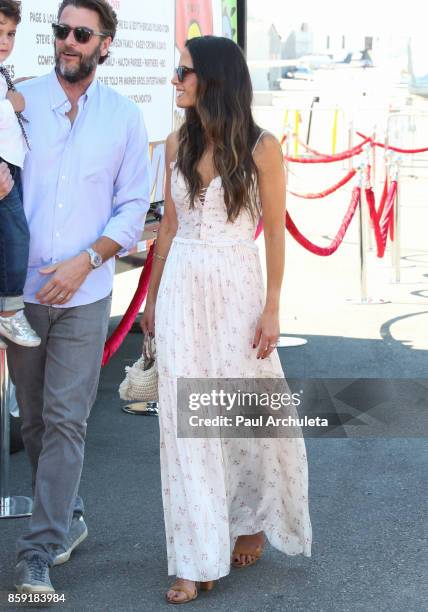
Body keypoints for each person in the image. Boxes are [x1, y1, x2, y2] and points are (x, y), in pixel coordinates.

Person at [141, 35, 312, 604]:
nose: (175, 80)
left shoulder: (262, 148)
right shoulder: (174, 144)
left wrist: (272, 306)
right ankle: (196, 555)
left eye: (183, 71)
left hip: (237, 291)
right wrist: (150, 298)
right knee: (185, 424)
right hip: (183, 292)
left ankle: (251, 516)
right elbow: (167, 229)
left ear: (212, 79)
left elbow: (277, 235)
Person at [3, 0, 150, 594]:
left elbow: (133, 207)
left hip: (85, 291)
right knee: (35, 421)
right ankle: (67, 515)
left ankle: (37, 551)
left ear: (105, 44)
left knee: (67, 419)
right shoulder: (20, 100)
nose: (67, 40)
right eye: (61, 30)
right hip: (22, 294)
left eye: (81, 33)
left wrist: (86, 260)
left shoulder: (124, 117)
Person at [0, 0, 40, 347]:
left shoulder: (2, 71)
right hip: (2, 168)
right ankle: (10, 312)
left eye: (10, 33)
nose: (5, 41)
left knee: (12, 238)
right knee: (16, 239)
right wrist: (11, 104)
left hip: (12, 165)